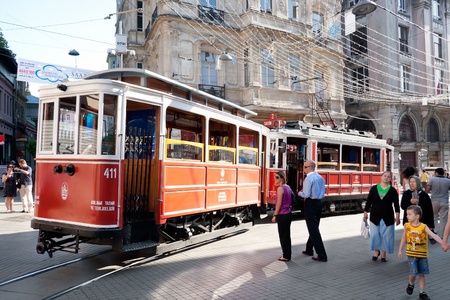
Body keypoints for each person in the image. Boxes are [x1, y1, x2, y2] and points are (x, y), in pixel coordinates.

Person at [398, 205, 444, 300]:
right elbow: (404, 238)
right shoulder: (407, 226)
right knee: (413, 273)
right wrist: (400, 250)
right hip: (411, 254)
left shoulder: (423, 227)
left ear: (417, 216)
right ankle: (411, 284)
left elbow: (433, 235)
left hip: (422, 255)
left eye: (409, 214)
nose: (407, 216)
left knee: (421, 274)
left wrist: (443, 243)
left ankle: (422, 292)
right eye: (407, 214)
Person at [363, 171, 400, 262]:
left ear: (391, 179)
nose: (386, 178)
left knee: (387, 235)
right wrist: (365, 211)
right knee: (375, 234)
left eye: (388, 177)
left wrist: (397, 216)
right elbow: (369, 201)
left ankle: (384, 252)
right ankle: (376, 251)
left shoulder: (392, 190)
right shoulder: (374, 188)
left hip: (388, 216)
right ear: (381, 177)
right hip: (375, 215)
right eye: (385, 176)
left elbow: (396, 205)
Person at [298, 160, 327, 262]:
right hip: (318, 203)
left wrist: (299, 193)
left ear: (310, 167)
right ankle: (309, 249)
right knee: (314, 227)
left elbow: (305, 194)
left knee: (313, 229)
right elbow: (324, 191)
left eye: (305, 167)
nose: (304, 169)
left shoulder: (308, 179)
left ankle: (322, 254)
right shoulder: (320, 178)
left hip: (310, 203)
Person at [271, 171, 292, 262]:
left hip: (282, 214)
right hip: (288, 213)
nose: (275, 179)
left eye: (277, 177)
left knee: (283, 236)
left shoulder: (280, 188)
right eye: (275, 177)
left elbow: (279, 203)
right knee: (286, 235)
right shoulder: (288, 187)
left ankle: (286, 256)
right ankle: (287, 254)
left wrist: (275, 215)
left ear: (282, 178)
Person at [425, 167, 450, 239]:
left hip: (434, 201)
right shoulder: (448, 181)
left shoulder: (432, 180)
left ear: (436, 173)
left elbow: (427, 190)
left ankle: (434, 234)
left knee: (434, 217)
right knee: (443, 218)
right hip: (444, 201)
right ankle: (441, 235)